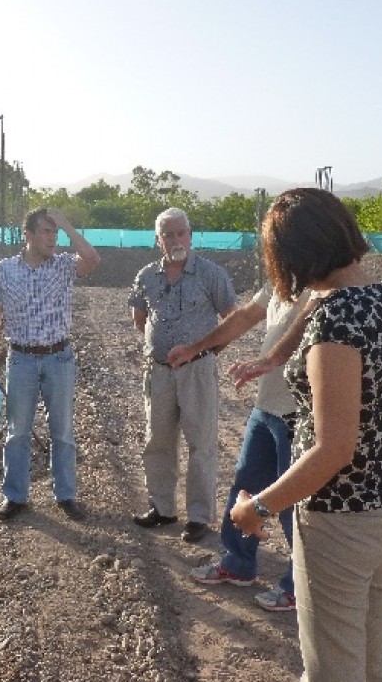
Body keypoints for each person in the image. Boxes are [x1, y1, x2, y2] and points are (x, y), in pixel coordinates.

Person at [230, 188, 382, 682]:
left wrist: (260, 507)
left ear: (295, 255)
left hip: (344, 520)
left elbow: (335, 447)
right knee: (375, 658)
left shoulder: (336, 320)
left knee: (333, 668)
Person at [170, 282, 311, 611]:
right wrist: (196, 348)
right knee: (244, 486)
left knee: (291, 502)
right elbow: (245, 316)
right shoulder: (281, 280)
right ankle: (237, 563)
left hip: (298, 412)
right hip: (266, 408)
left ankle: (298, 584)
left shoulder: (320, 285)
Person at [0, 207, 100, 522]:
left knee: (62, 431)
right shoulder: (5, 270)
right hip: (20, 359)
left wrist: (67, 222)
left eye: (55, 232)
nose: (53, 238)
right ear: (28, 235)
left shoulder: (63, 266)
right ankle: (15, 496)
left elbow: (92, 259)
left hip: (59, 358)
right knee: (17, 431)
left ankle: (65, 495)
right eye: (46, 231)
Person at [129, 207, 236, 543]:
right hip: (158, 372)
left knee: (201, 443)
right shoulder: (147, 275)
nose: (175, 240)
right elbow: (139, 317)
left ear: (190, 236)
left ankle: (199, 516)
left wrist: (208, 352)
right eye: (168, 235)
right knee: (157, 441)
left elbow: (233, 318)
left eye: (180, 233)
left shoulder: (211, 275)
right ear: (158, 240)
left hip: (197, 372)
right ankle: (162, 508)